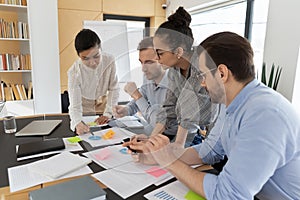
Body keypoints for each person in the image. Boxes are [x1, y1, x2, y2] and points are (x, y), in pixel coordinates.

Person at [131, 31, 300, 199]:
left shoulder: (264, 115)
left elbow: (228, 195)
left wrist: (170, 161)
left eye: (203, 75)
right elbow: (209, 151)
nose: (202, 83)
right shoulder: (232, 104)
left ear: (221, 73)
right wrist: (157, 156)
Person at [147, 7, 215, 146]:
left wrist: (177, 146)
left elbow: (189, 109)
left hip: (220, 131)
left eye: (160, 52)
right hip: (199, 132)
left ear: (178, 51)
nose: (156, 58)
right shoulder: (174, 70)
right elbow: (169, 107)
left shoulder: (202, 65)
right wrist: (151, 139)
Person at [113, 37, 169, 135]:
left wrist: (136, 95)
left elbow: (158, 123)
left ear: (162, 60)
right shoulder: (148, 77)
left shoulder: (174, 84)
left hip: (171, 138)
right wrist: (126, 109)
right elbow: (141, 98)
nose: (143, 69)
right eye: (141, 62)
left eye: (149, 62)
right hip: (153, 133)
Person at [68, 29, 119, 134]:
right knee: (86, 134)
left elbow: (114, 88)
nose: (92, 63)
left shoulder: (109, 60)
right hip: (84, 107)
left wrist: (108, 113)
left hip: (104, 104)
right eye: (85, 58)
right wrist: (77, 122)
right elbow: (75, 105)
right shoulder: (74, 72)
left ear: (101, 49)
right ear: (79, 56)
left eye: (96, 56)